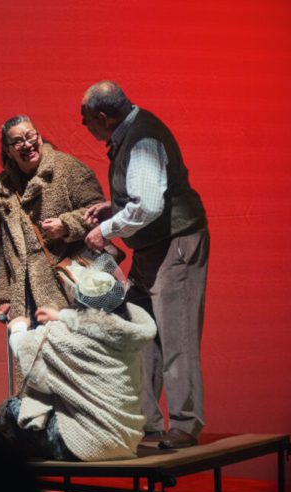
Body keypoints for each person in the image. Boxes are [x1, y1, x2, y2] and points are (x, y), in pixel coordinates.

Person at [80, 81, 209, 449]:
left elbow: (149, 205)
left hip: (175, 244)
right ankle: (148, 423)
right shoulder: (129, 136)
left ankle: (185, 424)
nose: (86, 127)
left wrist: (106, 230)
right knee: (140, 334)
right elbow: (146, 193)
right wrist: (115, 205)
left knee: (176, 335)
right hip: (151, 249)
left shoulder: (142, 138)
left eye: (86, 120)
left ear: (103, 117)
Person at [0, 256, 157, 461]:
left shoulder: (66, 336)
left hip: (85, 443)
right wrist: (61, 316)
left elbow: (33, 365)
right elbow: (97, 321)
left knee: (9, 410)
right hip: (126, 441)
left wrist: (18, 328)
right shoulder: (128, 332)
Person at [0, 114, 105, 325]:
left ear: (39, 137)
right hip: (24, 295)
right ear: (8, 150)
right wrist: (4, 295)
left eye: (30, 136)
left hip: (70, 284)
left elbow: (100, 211)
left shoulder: (68, 168)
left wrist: (67, 225)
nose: (27, 144)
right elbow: (1, 244)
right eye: (18, 141)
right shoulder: (2, 186)